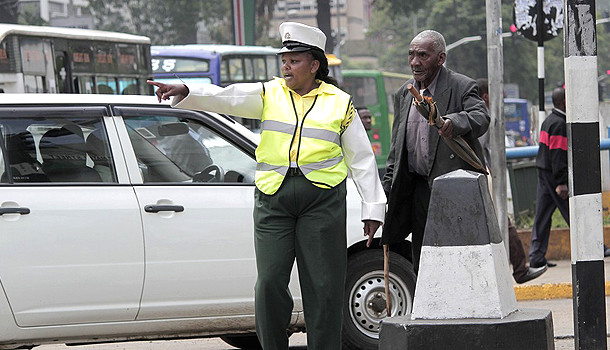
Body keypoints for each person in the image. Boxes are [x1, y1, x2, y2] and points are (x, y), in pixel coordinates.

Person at [148, 22, 386, 350]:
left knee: (323, 286)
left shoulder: (339, 104)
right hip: (273, 199)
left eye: (294, 60)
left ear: (315, 65)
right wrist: (187, 92)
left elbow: (361, 159)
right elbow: (226, 97)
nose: (286, 66)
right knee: (270, 283)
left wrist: (373, 208)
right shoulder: (268, 93)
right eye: (284, 60)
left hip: (322, 203)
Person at [381, 30, 489, 274]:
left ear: (440, 58)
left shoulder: (461, 86)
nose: (415, 62)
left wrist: (453, 122)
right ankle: (426, 306)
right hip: (416, 188)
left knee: (459, 254)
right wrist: (387, 188)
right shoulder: (405, 93)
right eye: (411, 55)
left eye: (423, 55)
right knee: (423, 255)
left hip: (452, 185)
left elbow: (481, 117)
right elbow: (397, 149)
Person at [529, 88, 610, 267]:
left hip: (544, 172)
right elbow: (557, 154)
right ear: (564, 102)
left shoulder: (549, 121)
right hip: (553, 176)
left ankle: (536, 257)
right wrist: (561, 182)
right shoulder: (559, 124)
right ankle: (596, 247)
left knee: (542, 216)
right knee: (575, 213)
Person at [476, 78, 547, 283]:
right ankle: (519, 270)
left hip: (483, 176)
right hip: (484, 177)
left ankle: (515, 269)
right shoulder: (484, 116)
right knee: (503, 224)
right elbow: (482, 150)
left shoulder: (478, 114)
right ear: (487, 96)